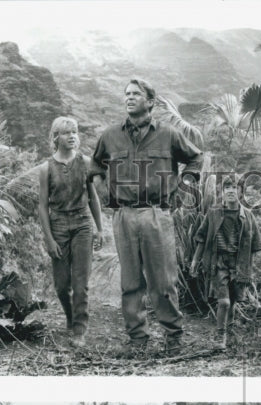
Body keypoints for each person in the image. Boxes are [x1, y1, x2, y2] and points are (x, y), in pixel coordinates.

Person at [89, 79, 202, 359]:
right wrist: (106, 194)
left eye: (136, 94)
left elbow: (196, 159)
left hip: (156, 214)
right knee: (130, 283)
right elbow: (94, 166)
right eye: (126, 94)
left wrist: (180, 191)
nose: (129, 98)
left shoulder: (168, 135)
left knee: (163, 282)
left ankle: (173, 339)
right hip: (123, 215)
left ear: (150, 101)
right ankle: (137, 340)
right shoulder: (110, 136)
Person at [38, 117, 104, 347]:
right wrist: (48, 239)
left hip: (82, 223)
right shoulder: (46, 168)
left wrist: (99, 228)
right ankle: (70, 316)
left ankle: (79, 330)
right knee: (61, 285)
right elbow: (42, 206)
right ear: (56, 137)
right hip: (58, 226)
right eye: (66, 133)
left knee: (80, 282)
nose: (72, 136)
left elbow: (93, 197)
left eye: (75, 132)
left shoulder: (85, 162)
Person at [189, 175, 261, 349]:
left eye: (234, 187)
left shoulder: (248, 216)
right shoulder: (213, 213)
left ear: (241, 192)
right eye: (226, 187)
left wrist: (249, 271)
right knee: (224, 302)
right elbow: (201, 238)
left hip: (239, 264)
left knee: (234, 301)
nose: (230, 190)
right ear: (222, 192)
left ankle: (230, 333)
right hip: (218, 262)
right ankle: (220, 335)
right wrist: (194, 261)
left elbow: (254, 246)